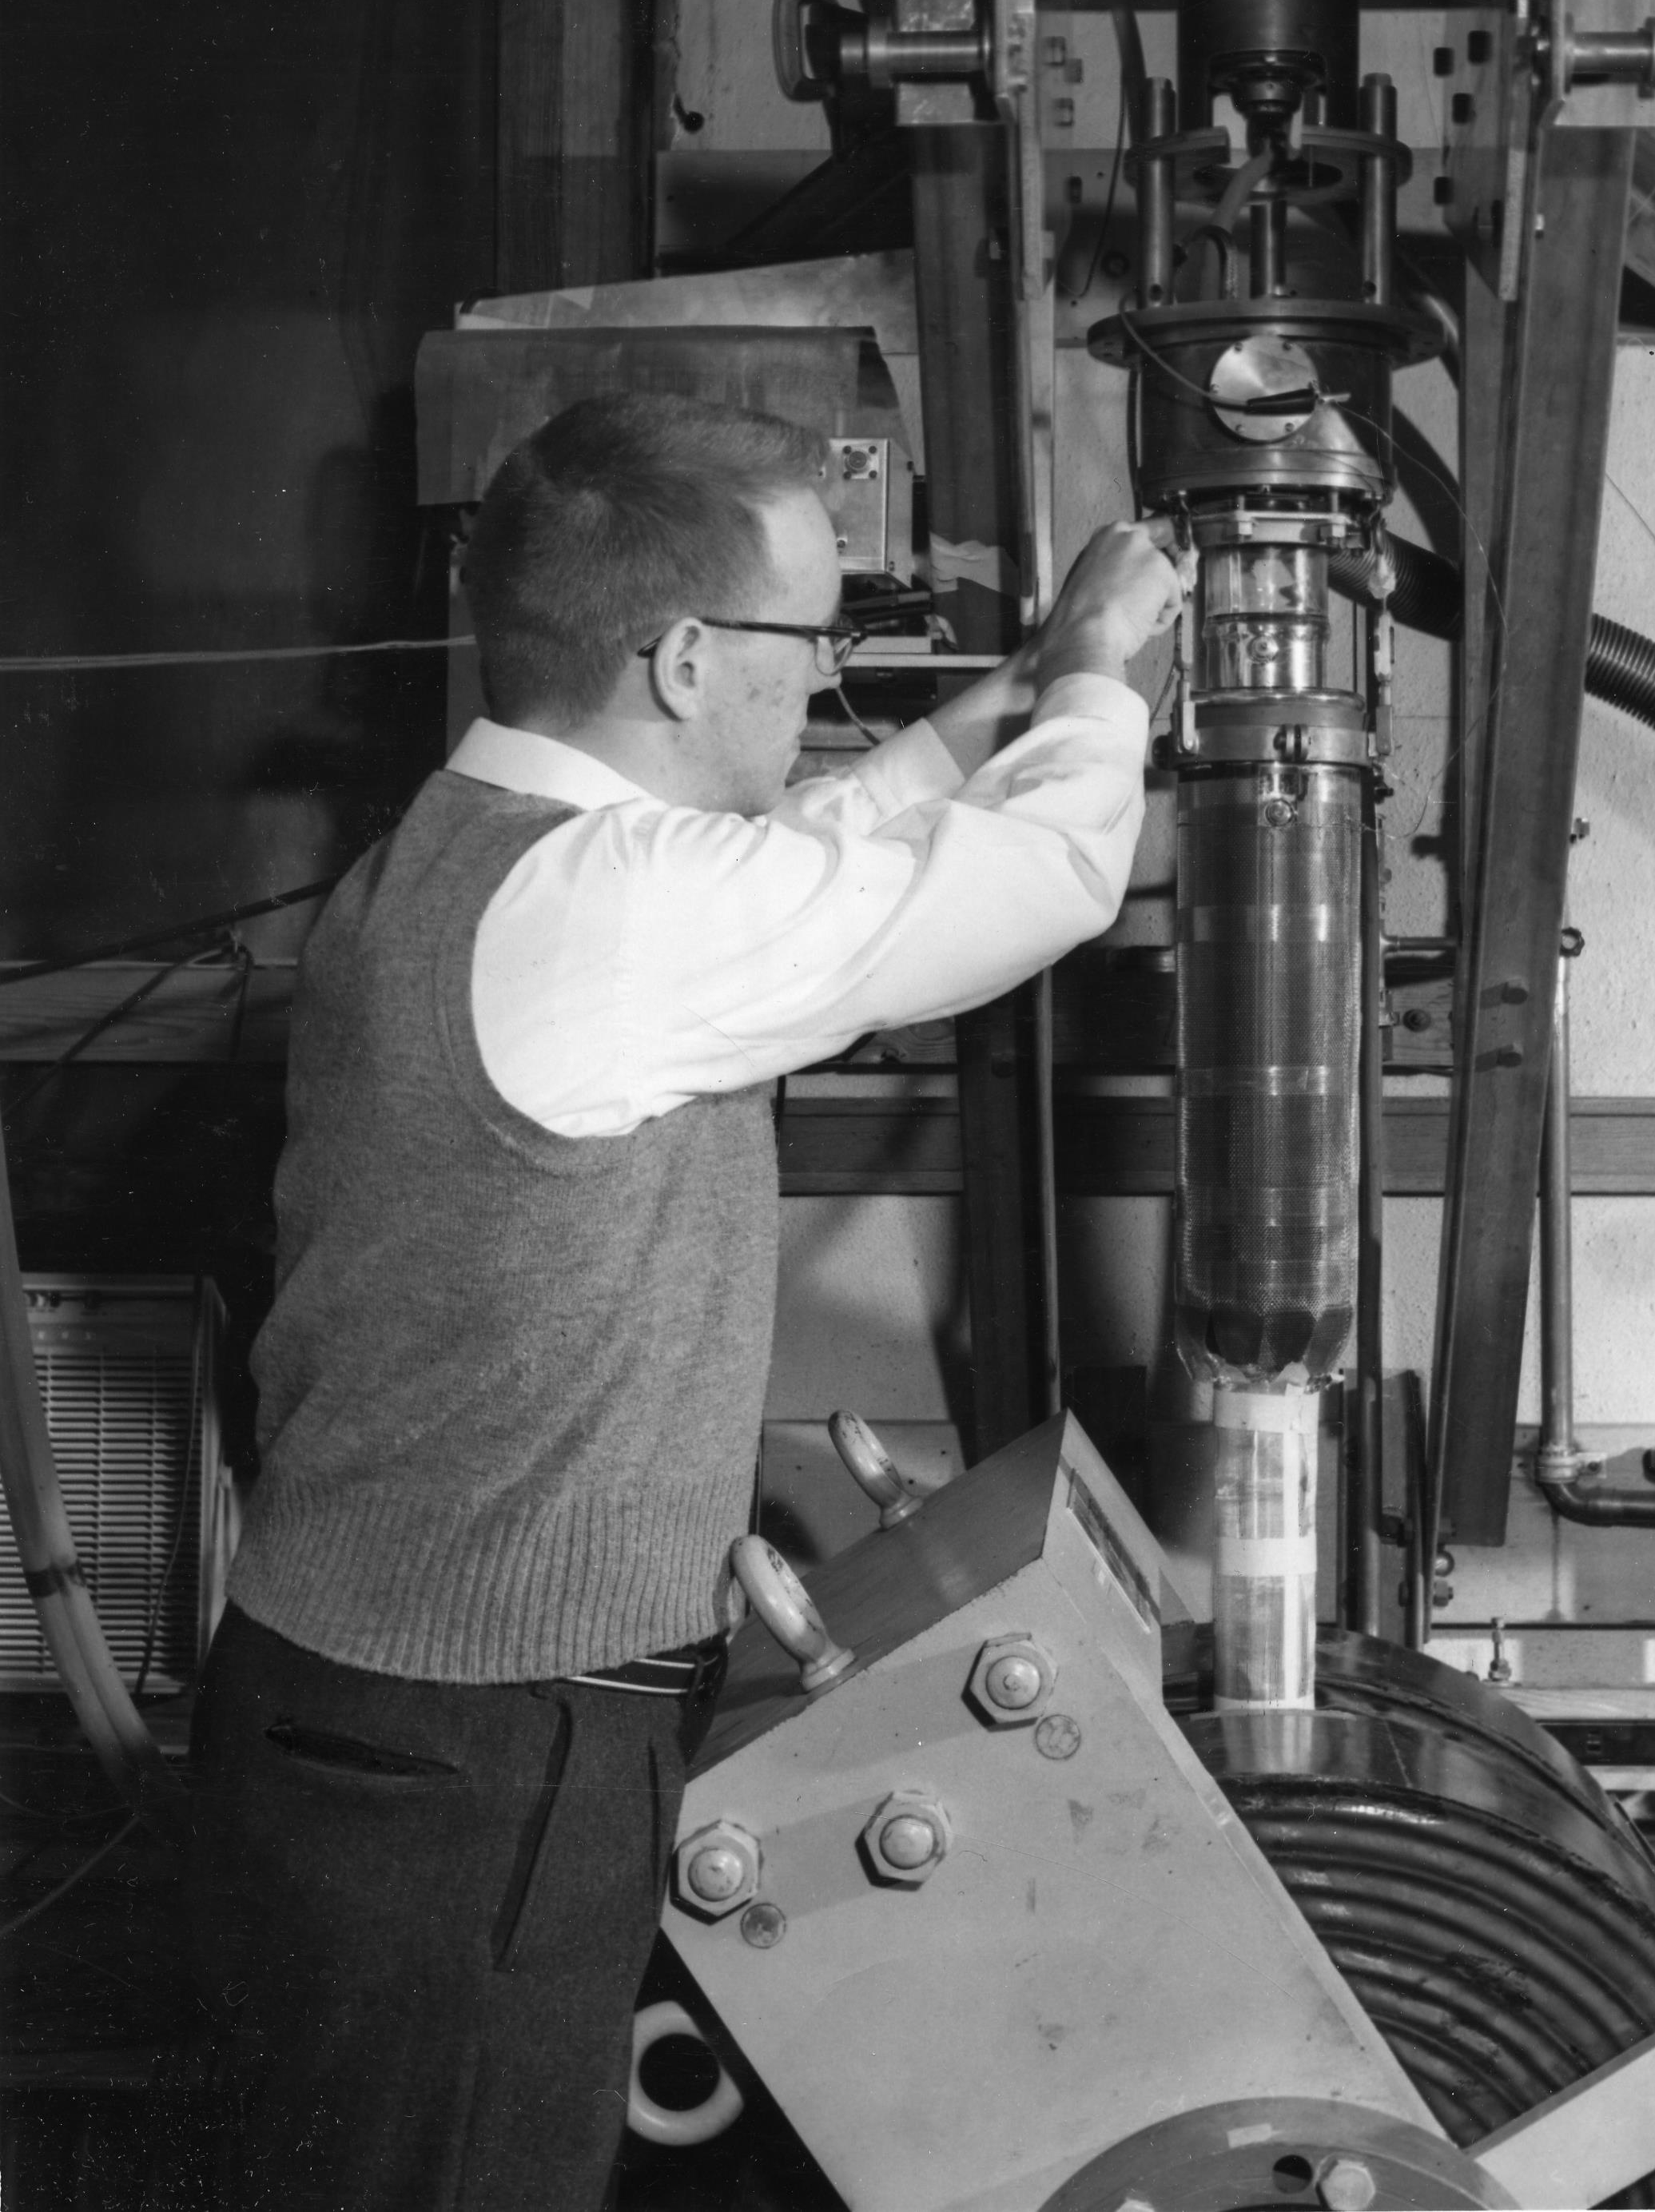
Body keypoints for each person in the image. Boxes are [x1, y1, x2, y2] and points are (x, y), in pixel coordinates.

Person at [185, 392, 1185, 2210]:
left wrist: (1025, 686)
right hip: (475, 1761)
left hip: (393, 1730)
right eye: (818, 638)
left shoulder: (482, 846)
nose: (830, 680)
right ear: (683, 654)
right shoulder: (613, 912)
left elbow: (835, 826)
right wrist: (1110, 674)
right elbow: (1039, 877)